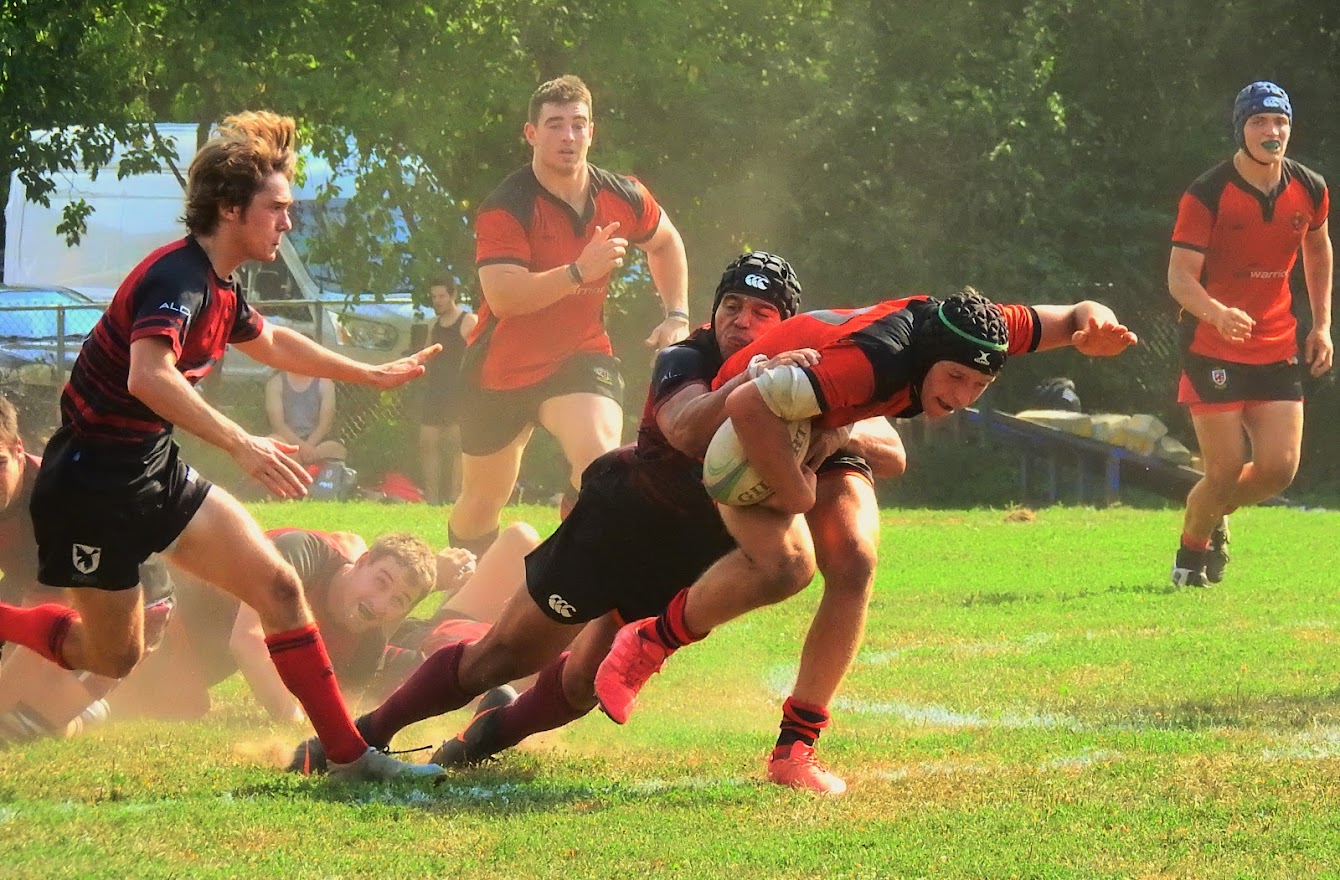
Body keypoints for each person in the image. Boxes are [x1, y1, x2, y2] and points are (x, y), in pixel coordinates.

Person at [0, 111, 444, 781]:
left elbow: (272, 342)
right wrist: (240, 442)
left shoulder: (220, 285)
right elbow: (147, 375)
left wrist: (368, 373)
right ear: (233, 209)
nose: (287, 222)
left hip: (152, 471)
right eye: (278, 209)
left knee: (277, 585)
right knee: (112, 656)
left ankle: (351, 758)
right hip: (92, 489)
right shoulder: (174, 280)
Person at [287, 251, 817, 779]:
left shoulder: (804, 373)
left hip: (688, 559)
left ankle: (479, 741)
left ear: (785, 324)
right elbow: (685, 426)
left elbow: (888, 451)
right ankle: (361, 736)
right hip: (617, 528)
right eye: (732, 304)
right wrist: (753, 387)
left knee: (586, 681)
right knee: (503, 656)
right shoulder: (687, 356)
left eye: (761, 312)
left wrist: (833, 427)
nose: (741, 321)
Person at [592, 289, 1138, 762]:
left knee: (855, 560)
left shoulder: (976, 328)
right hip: (749, 419)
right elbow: (749, 405)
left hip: (825, 414)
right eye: (954, 378)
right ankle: (647, 643)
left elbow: (1071, 318)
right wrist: (798, 490)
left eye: (979, 384)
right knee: (787, 568)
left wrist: (1097, 322)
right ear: (927, 358)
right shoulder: (867, 364)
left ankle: (795, 749)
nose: (962, 396)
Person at [449, 74, 691, 558]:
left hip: (579, 354)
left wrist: (677, 314)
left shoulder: (621, 195)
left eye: (578, 125)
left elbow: (665, 242)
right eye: (555, 125)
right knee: (482, 500)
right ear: (531, 134)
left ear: (592, 132)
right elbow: (504, 298)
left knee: (602, 463)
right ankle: (466, 585)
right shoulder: (506, 206)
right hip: (501, 368)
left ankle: (567, 571)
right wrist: (580, 271)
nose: (568, 136)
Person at [1166, 81, 1332, 588]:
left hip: (1278, 342)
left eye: (1280, 121)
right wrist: (1216, 313)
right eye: (1260, 121)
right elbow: (1179, 278)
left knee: (1279, 470)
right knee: (1224, 470)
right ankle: (1190, 558)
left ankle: (1214, 510)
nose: (1272, 131)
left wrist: (1322, 324)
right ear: (1241, 129)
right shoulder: (1207, 193)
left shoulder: (1311, 188)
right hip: (1212, 346)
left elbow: (1318, 251)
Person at [106, 530, 437, 724]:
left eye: (398, 601)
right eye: (381, 581)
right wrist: (292, 720)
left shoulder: (368, 646)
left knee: (180, 704)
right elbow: (247, 639)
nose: (381, 604)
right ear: (362, 562)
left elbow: (340, 713)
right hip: (162, 602)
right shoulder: (302, 554)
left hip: (203, 652)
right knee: (122, 697)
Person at [0, 394, 174, 743]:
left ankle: (84, 706)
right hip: (34, 591)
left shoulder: (60, 499)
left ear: (19, 449)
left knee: (19, 727)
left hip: (126, 607)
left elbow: (45, 622)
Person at [411, 275, 477, 504]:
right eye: (434, 297)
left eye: (441, 296)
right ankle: (432, 498)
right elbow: (426, 356)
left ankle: (455, 497)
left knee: (458, 446)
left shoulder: (468, 321)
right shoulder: (433, 325)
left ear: (453, 296)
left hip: (459, 392)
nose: (437, 301)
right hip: (435, 392)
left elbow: (479, 356)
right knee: (428, 443)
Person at [264, 370, 347, 466]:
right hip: (287, 441)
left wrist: (309, 446)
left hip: (316, 442)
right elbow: (278, 425)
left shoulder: (325, 383)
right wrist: (300, 447)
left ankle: (319, 477)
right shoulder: (275, 383)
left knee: (336, 449)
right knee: (271, 443)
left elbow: (325, 424)